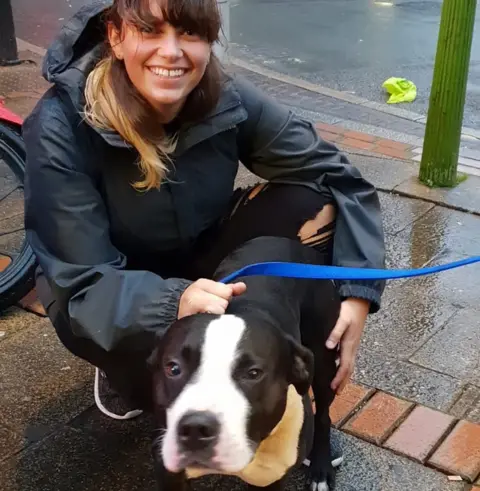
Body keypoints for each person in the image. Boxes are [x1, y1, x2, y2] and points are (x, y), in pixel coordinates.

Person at [23, 0, 385, 470]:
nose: (171, 52)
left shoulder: (227, 96)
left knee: (309, 201)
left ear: (210, 41)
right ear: (115, 36)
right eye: (150, 31)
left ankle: (269, 375)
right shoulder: (58, 125)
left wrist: (357, 291)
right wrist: (171, 302)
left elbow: (338, 175)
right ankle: (123, 368)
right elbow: (81, 278)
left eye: (190, 33)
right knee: (139, 375)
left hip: (201, 253)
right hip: (110, 279)